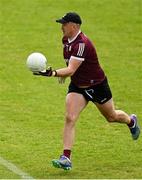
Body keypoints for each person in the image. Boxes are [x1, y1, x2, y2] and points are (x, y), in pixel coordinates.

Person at [34, 12, 140, 170]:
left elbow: (70, 69)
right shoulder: (66, 40)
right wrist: (64, 74)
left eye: (64, 24)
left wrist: (53, 73)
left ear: (74, 26)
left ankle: (131, 121)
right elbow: (69, 64)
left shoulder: (82, 44)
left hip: (97, 86)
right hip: (78, 86)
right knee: (70, 118)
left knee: (111, 117)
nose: (61, 27)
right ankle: (66, 158)